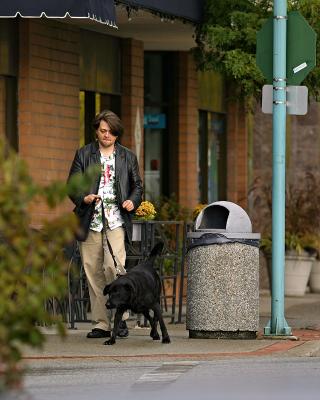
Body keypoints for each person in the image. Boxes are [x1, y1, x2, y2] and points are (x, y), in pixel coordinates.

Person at [68, 109, 143, 339]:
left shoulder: (127, 156)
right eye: (102, 131)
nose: (106, 135)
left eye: (111, 132)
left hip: (116, 220)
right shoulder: (84, 154)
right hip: (91, 220)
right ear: (96, 131)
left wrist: (132, 200)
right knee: (92, 272)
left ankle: (120, 319)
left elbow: (137, 185)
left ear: (117, 134)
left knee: (114, 268)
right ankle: (101, 323)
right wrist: (84, 197)